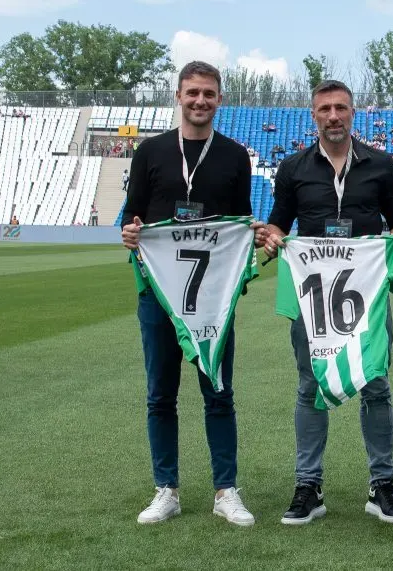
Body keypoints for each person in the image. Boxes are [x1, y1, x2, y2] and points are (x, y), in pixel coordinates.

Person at [120, 60, 268, 527]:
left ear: (219, 99)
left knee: (218, 392)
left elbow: (240, 222)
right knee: (160, 396)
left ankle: (226, 490)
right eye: (192, 93)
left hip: (211, 301)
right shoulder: (150, 152)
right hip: (160, 295)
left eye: (208, 93)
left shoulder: (234, 156)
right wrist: (129, 231)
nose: (200, 101)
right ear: (179, 96)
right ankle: (167, 489)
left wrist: (253, 234)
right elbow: (132, 215)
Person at [262, 79, 393, 526]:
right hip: (314, 302)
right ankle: (308, 485)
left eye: (341, 108)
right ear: (314, 115)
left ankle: (382, 484)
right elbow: (278, 225)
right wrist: (271, 239)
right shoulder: (292, 168)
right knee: (310, 387)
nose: (333, 115)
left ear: (353, 113)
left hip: (366, 299)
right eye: (325, 108)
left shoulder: (381, 165)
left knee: (376, 385)